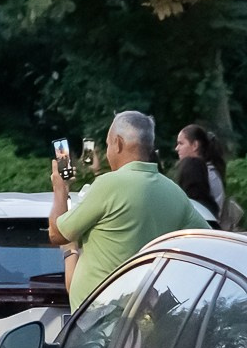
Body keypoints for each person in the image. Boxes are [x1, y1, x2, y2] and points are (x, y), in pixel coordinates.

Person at [51, 110, 207, 305]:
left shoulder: (107, 185)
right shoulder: (175, 193)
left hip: (98, 324)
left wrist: (60, 189)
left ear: (118, 143)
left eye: (108, 144)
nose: (108, 151)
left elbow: (57, 234)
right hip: (146, 316)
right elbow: (209, 245)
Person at [175, 122, 235, 228]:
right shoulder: (209, 172)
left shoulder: (209, 175)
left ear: (195, 145)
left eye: (181, 143)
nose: (177, 148)